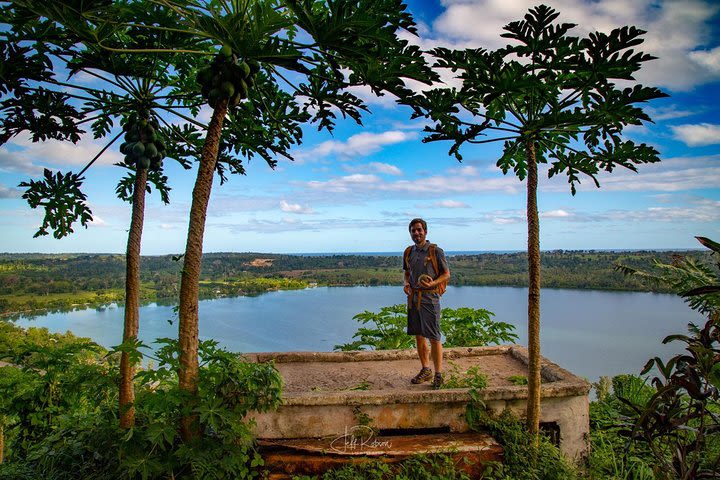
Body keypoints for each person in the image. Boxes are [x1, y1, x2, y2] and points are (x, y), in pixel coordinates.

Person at [403, 218, 450, 389]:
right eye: (413, 231)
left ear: (425, 231)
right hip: (414, 298)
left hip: (430, 298)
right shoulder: (409, 252)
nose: (416, 233)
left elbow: (446, 274)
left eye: (419, 230)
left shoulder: (435, 251)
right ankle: (425, 369)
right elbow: (407, 273)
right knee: (419, 335)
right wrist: (407, 284)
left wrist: (432, 284)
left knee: (434, 336)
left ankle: (438, 374)